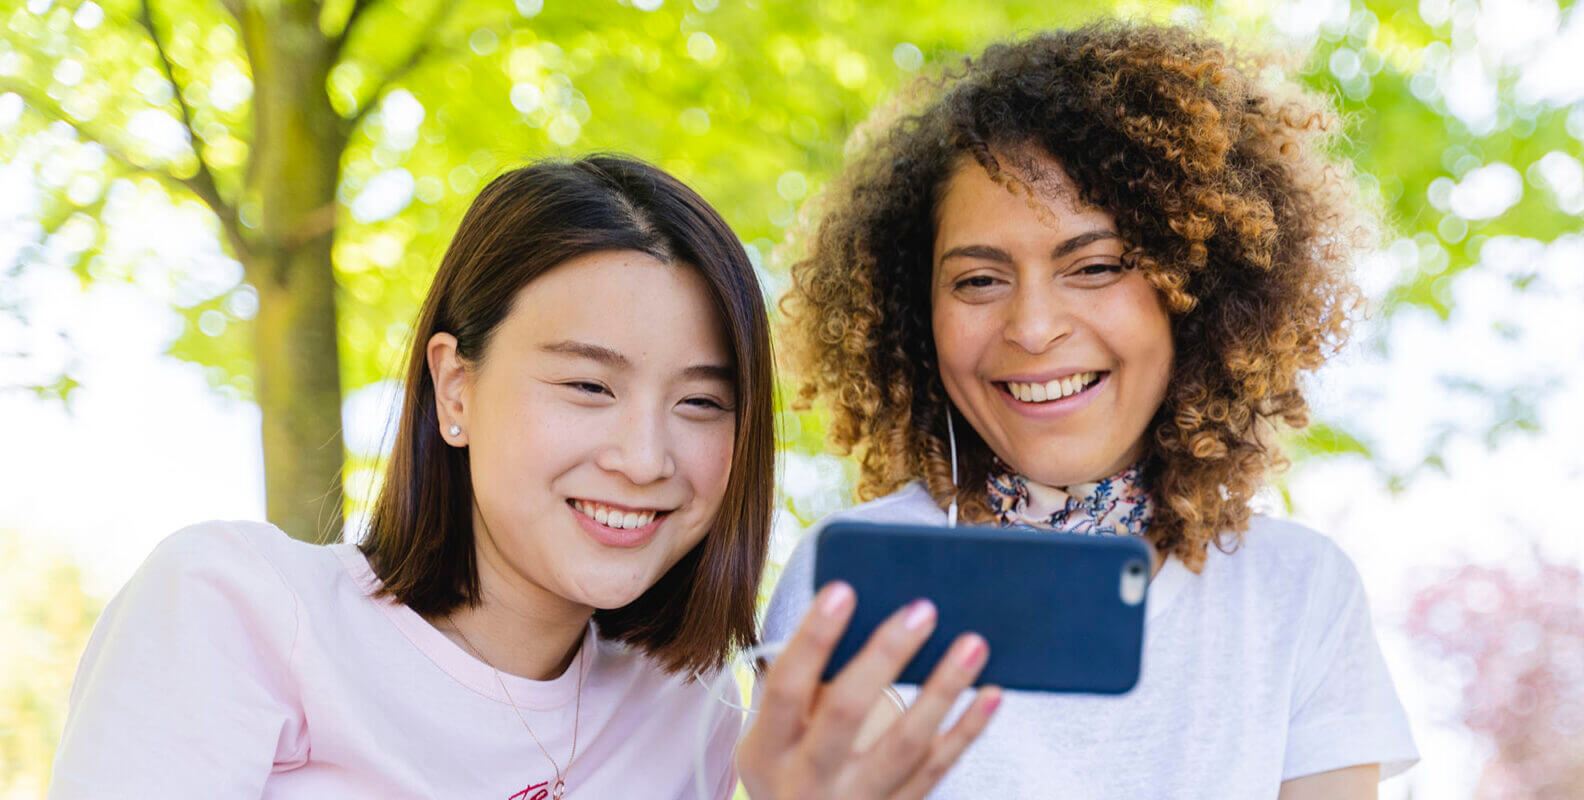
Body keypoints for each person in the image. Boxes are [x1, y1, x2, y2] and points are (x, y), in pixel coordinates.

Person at [49, 155, 995, 799]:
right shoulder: (233, 607)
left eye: (701, 403)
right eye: (588, 384)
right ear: (454, 387)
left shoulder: (687, 715)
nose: (644, 457)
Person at [765, 22, 1421, 798]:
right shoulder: (859, 582)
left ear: (1199, 295)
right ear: (916, 315)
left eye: (1097, 265)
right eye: (978, 281)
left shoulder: (1298, 593)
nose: (1034, 327)